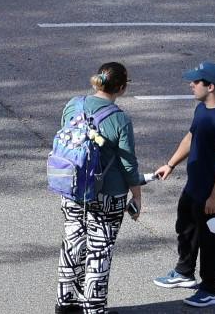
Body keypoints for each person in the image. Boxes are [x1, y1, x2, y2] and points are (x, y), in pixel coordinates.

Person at [54, 61, 142, 314]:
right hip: (108, 193)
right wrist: (136, 196)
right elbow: (128, 164)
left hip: (72, 188)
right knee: (99, 249)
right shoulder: (120, 119)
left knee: (72, 242)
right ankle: (93, 307)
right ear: (122, 88)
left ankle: (66, 302)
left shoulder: (74, 104)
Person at [151, 62, 215, 308]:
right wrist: (170, 164)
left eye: (196, 82)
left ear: (210, 86)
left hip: (214, 194)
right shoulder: (203, 109)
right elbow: (191, 137)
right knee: (186, 228)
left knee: (212, 241)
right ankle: (184, 273)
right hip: (194, 187)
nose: (191, 85)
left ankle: (210, 289)